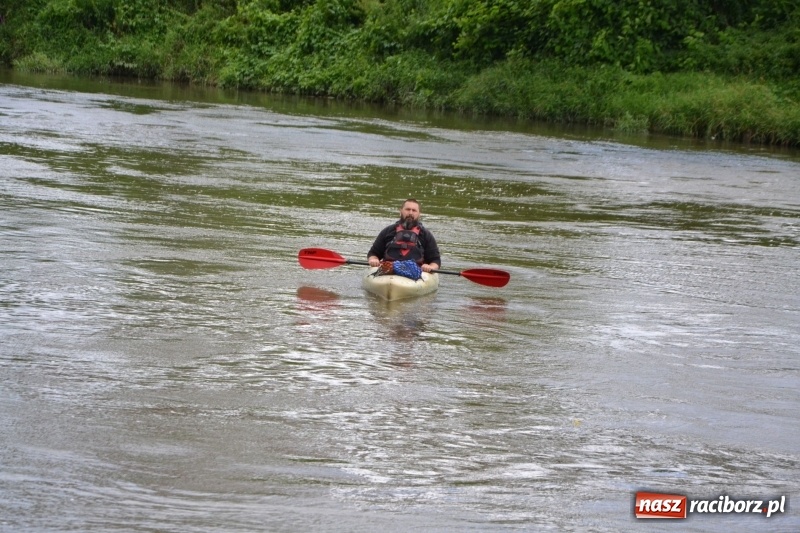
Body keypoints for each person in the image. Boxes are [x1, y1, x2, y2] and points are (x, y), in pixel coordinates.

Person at [368, 198, 441, 273]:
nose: (410, 213)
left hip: (416, 273)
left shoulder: (426, 235)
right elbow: (373, 253)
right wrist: (374, 260)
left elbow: (436, 261)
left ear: (419, 214)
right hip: (389, 271)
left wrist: (430, 267)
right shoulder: (387, 231)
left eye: (414, 210)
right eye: (407, 209)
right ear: (401, 211)